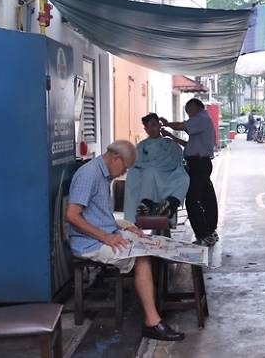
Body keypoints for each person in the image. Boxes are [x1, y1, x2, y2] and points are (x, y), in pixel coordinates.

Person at [65, 140, 185, 342]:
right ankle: (152, 321)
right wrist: (106, 236)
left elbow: (99, 215)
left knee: (149, 242)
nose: (123, 173)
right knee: (141, 257)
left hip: (108, 234)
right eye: (125, 167)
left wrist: (125, 225)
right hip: (90, 244)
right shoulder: (89, 175)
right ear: (115, 158)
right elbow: (72, 216)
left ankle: (157, 305)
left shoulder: (103, 175)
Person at [160, 98, 219, 246]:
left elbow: (181, 125)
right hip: (200, 163)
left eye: (189, 111)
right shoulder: (201, 122)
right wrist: (171, 136)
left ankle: (204, 235)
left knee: (192, 201)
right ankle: (210, 231)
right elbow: (189, 145)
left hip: (199, 164)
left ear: (196, 107)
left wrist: (167, 124)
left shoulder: (201, 118)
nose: (188, 115)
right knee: (207, 199)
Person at [124, 113, 189, 226]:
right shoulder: (141, 146)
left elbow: (175, 161)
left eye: (154, 125)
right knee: (146, 172)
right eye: (149, 126)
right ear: (146, 129)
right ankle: (146, 205)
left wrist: (154, 165)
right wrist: (149, 166)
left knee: (184, 178)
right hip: (149, 177)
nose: (152, 129)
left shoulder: (169, 143)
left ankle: (169, 205)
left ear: (160, 125)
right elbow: (135, 163)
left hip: (168, 175)